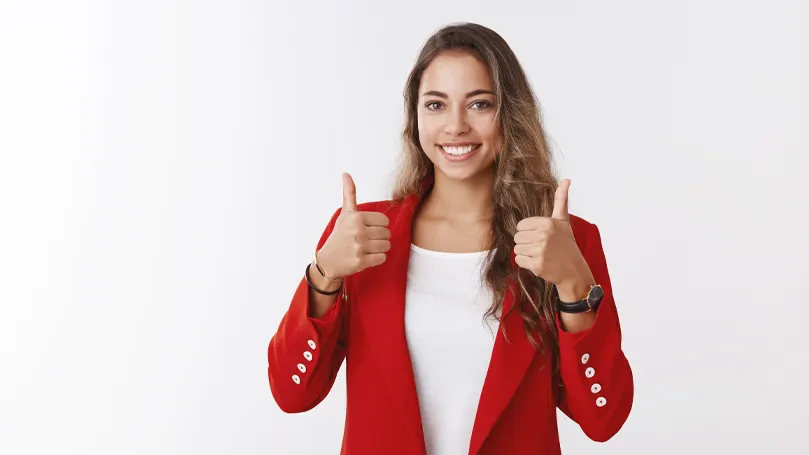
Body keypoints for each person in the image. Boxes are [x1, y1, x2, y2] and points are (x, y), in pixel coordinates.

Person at [267, 22, 633, 455]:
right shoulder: (362, 235)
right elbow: (294, 395)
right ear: (415, 116)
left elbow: (602, 419)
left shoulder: (566, 242)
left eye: (479, 104)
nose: (455, 125)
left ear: (509, 113)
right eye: (436, 104)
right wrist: (323, 275)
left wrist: (574, 288)